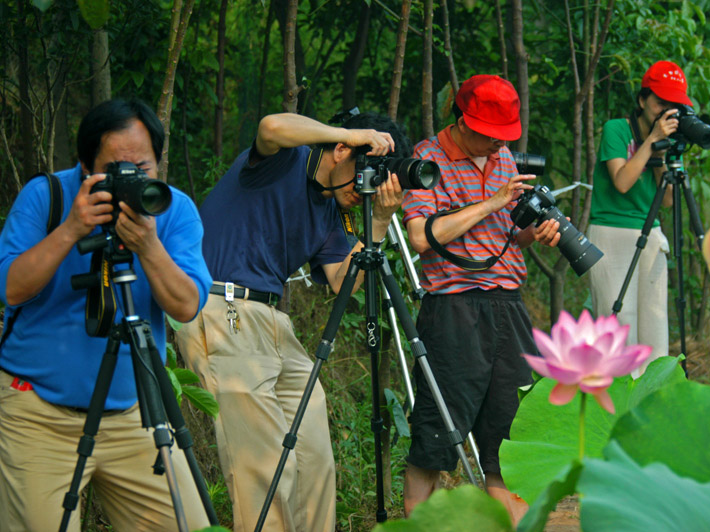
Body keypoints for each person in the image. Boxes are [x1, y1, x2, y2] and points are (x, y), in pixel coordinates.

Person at [174, 111, 409, 532]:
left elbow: (342, 281)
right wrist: (351, 134)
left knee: (313, 451)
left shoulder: (332, 210)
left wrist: (379, 221)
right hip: (222, 306)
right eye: (363, 173)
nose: (363, 188)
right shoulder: (285, 160)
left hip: (273, 322)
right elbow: (269, 126)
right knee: (262, 462)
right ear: (340, 150)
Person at [0, 98, 213, 531]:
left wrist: (148, 247)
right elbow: (10, 289)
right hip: (38, 414)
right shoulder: (48, 196)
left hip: (136, 413)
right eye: (116, 169)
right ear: (84, 166)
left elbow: (187, 305)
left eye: (144, 167)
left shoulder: (173, 210)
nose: (131, 179)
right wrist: (70, 230)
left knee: (189, 523)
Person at [401, 74, 561, 524]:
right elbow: (420, 237)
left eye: (503, 138)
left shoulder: (503, 157)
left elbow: (512, 236)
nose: (497, 145)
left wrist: (536, 232)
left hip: (508, 305)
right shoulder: (425, 158)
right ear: (462, 120)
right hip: (453, 307)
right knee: (434, 440)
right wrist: (493, 202)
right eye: (491, 136)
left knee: (510, 440)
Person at [587, 60, 688, 376]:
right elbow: (622, 181)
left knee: (655, 327)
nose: (665, 111)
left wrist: (662, 155)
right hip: (610, 233)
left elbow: (668, 200)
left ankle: (651, 409)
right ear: (642, 100)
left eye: (674, 105)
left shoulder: (672, 139)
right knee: (620, 329)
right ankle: (615, 413)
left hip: (650, 232)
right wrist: (650, 143)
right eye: (660, 102)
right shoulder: (617, 129)